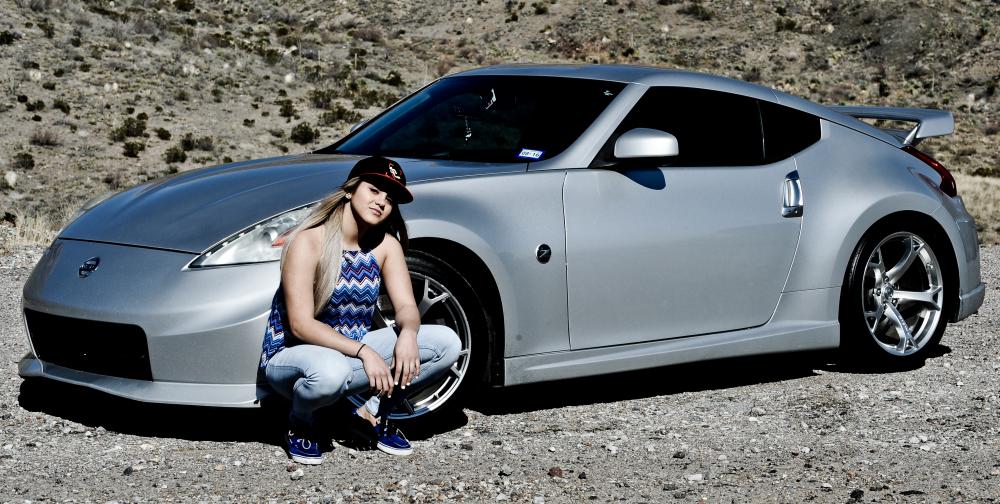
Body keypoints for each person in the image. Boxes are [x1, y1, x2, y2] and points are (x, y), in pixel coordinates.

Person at [259, 156, 461, 464]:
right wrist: (365, 351)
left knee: (447, 344)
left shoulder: (385, 246)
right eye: (374, 190)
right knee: (330, 372)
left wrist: (408, 332)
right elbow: (300, 325)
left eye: (390, 199)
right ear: (351, 191)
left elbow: (406, 305)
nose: (382, 202)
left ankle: (372, 412)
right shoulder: (309, 240)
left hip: (347, 356)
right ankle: (300, 421)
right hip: (294, 357)